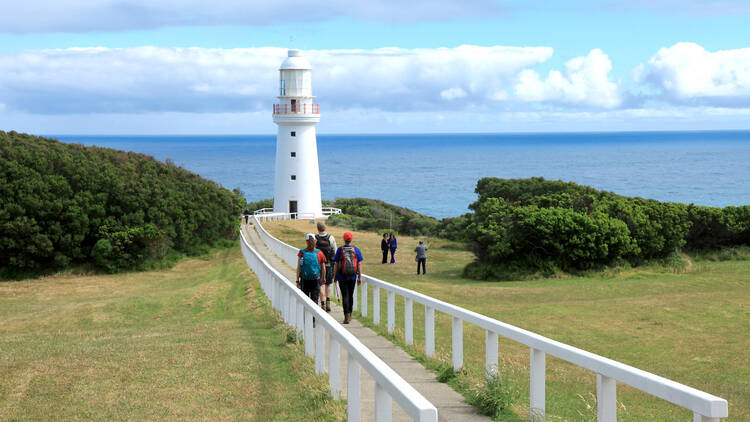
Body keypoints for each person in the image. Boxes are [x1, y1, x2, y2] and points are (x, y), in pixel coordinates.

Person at [333, 232, 364, 324]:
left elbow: (336, 264)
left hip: (342, 277)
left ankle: (346, 316)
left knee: (345, 296)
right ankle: (350, 315)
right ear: (351, 239)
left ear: (344, 239)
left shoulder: (339, 250)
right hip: (353, 276)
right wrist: (360, 277)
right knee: (350, 295)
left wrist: (335, 277)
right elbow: (359, 264)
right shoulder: (356, 250)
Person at [296, 233, 327, 310]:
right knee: (314, 299)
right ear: (315, 241)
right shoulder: (319, 253)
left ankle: (305, 317)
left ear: (306, 241)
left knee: (305, 299)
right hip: (315, 279)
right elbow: (323, 268)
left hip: (304, 279)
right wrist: (323, 278)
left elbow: (298, 267)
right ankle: (313, 319)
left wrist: (297, 280)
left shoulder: (302, 253)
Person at [315, 221, 337, 312]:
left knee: (320, 284)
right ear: (325, 228)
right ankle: (328, 302)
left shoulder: (315, 238)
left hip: (318, 265)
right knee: (328, 284)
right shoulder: (330, 238)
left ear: (318, 228)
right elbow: (334, 250)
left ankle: (322, 303)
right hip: (328, 264)